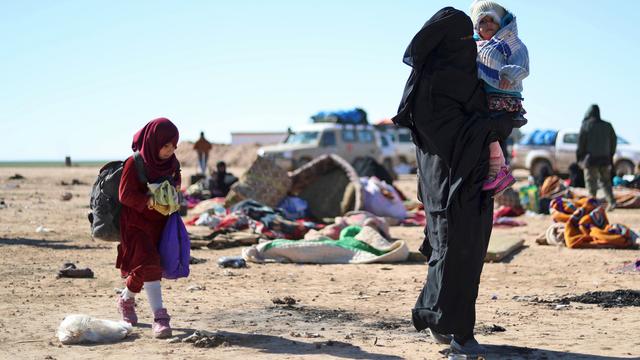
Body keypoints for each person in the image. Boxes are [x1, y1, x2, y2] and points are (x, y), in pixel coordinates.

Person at [392, 7, 514, 356]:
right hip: (458, 187)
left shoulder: (428, 82)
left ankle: (437, 321)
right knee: (460, 256)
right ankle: (460, 332)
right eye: (463, 38)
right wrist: (498, 126)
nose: (468, 44)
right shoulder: (442, 84)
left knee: (448, 256)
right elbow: (456, 136)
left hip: (446, 187)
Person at [116, 118, 182, 339]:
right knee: (150, 264)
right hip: (135, 224)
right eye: (166, 146)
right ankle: (160, 318)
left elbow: (177, 184)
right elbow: (124, 195)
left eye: (173, 146)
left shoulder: (172, 163)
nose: (169, 150)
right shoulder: (134, 163)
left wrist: (173, 194)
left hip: (160, 224)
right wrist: (149, 201)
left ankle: (126, 300)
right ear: (154, 142)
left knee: (143, 268)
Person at [470, 0, 529, 195]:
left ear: (500, 23)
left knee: (489, 131)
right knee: (486, 134)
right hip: (488, 98)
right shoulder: (477, 44)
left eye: (491, 21)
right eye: (482, 21)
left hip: (506, 97)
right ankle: (496, 172)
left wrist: (509, 74)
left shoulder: (507, 41)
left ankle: (501, 171)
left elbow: (522, 62)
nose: (487, 25)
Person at [577, 104, 617, 210]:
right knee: (606, 182)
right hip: (605, 159)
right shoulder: (607, 125)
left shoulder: (586, 125)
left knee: (591, 183)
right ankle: (611, 201)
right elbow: (614, 141)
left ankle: (593, 203)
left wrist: (580, 157)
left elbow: (581, 143)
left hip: (590, 160)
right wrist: (610, 155)